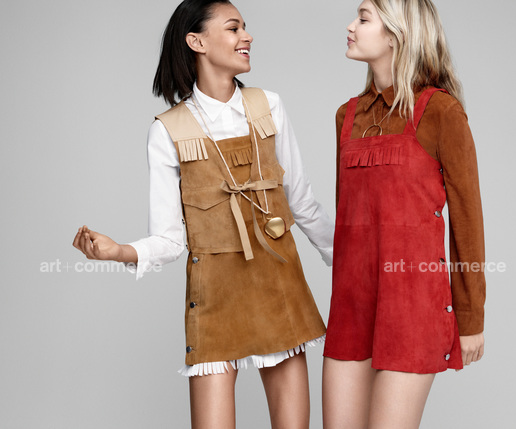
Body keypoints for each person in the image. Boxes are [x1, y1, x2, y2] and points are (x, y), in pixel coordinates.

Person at [72, 1, 334, 427]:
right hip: (214, 295)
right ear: (196, 41)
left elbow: (301, 202)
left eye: (245, 27)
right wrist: (118, 251)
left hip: (279, 285)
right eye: (233, 28)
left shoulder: (269, 105)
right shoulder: (167, 130)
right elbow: (170, 239)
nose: (247, 36)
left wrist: (349, 259)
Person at [322, 0, 486, 428]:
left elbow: (467, 224)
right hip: (351, 307)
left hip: (413, 307)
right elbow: (347, 222)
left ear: (396, 33)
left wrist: (470, 319)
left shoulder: (441, 112)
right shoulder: (347, 116)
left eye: (363, 18)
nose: (350, 26)